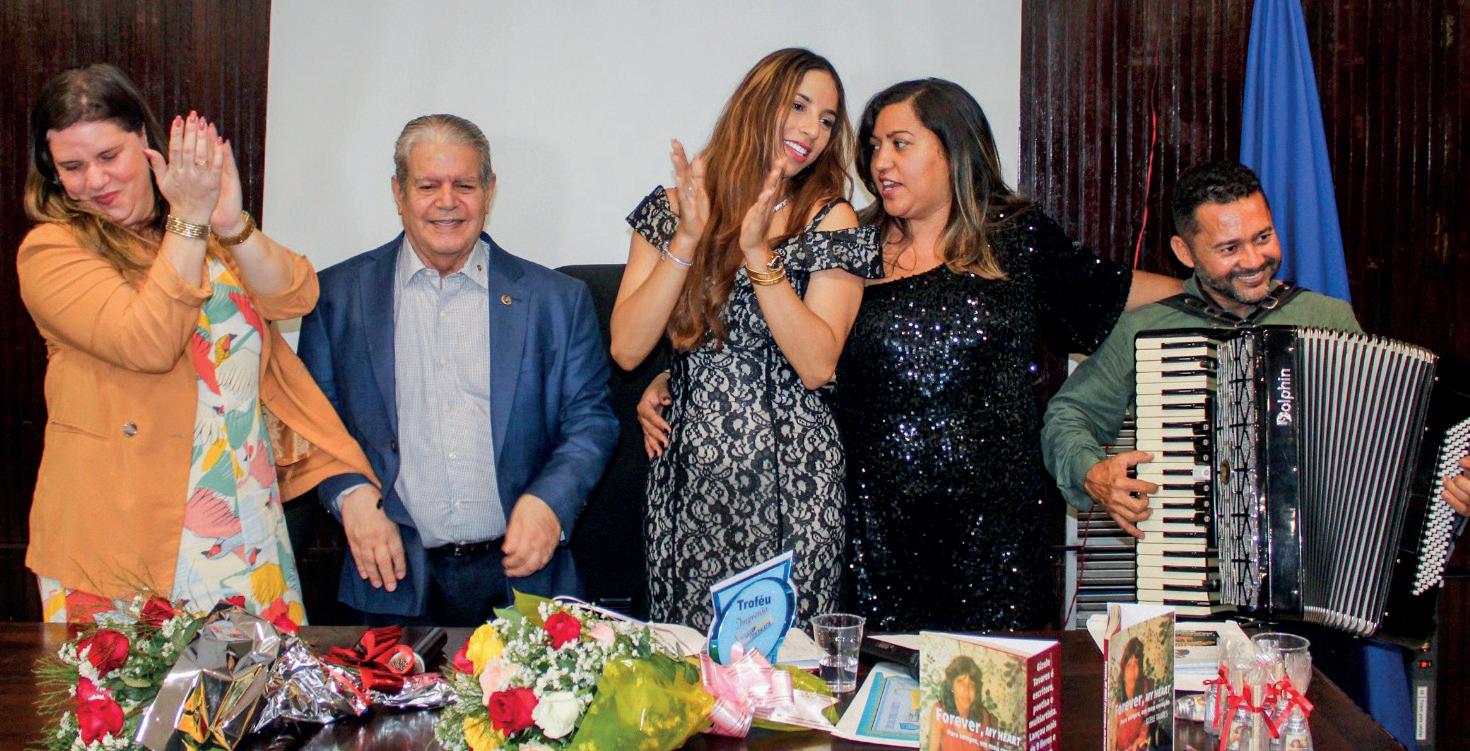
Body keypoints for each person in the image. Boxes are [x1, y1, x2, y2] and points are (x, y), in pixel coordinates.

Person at [640, 78, 1179, 632]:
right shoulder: (852, 240)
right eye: (874, 146)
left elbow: (1116, 295)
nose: (880, 162)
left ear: (953, 149)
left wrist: (1209, 294)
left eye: (900, 144)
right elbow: (780, 341)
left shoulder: (1016, 238)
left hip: (994, 536)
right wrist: (672, 378)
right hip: (875, 533)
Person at [1041, 160, 1470, 749]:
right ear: (1184, 252)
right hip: (1193, 604)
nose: (1253, 259)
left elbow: (1389, 456)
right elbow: (1067, 416)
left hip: (1316, 619)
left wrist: (1450, 489)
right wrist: (1092, 471)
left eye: (1263, 237)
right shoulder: (1149, 329)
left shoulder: (1326, 319)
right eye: (1229, 247)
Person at [18, 64, 375, 625]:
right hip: (128, 531)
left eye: (109, 156)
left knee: (255, 682)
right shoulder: (52, 251)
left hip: (244, 515)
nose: (95, 180)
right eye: (72, 167)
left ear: (145, 141)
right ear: (52, 171)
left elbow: (296, 294)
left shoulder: (201, 231)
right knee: (139, 686)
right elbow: (148, 344)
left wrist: (229, 223)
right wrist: (189, 219)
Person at [298, 114, 618, 626]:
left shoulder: (557, 301)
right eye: (428, 186)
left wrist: (550, 502)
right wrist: (349, 493)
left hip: (523, 582)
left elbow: (591, 420)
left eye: (464, 185)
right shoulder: (337, 296)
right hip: (389, 581)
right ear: (399, 192)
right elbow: (313, 418)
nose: (447, 202)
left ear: (489, 191)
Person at [610, 48, 880, 628]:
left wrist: (759, 255)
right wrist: (688, 236)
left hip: (793, 483)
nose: (812, 130)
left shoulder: (830, 218)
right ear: (757, 104)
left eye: (827, 119)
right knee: (686, 665)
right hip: (688, 482)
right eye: (799, 107)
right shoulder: (674, 207)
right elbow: (628, 349)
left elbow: (817, 364)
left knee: (786, 671)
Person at [927, 655, 998, 751]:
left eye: (971, 684)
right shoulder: (940, 711)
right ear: (951, 687)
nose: (966, 689)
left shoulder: (983, 715)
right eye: (960, 682)